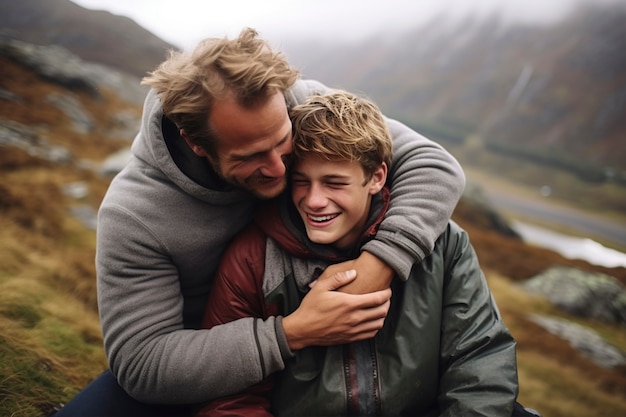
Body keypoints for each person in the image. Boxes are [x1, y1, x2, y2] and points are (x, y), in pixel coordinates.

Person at [53, 28, 465, 417]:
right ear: (196, 143)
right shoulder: (134, 215)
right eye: (249, 156)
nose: (278, 168)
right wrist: (291, 333)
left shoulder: (299, 101)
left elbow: (434, 165)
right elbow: (143, 364)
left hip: (324, 349)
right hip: (209, 361)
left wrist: (379, 266)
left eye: (281, 140)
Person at [196, 91, 539, 416]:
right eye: (302, 181)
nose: (314, 200)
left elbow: (480, 361)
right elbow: (231, 399)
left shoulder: (443, 243)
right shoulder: (252, 259)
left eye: (334, 182)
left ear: (376, 177)